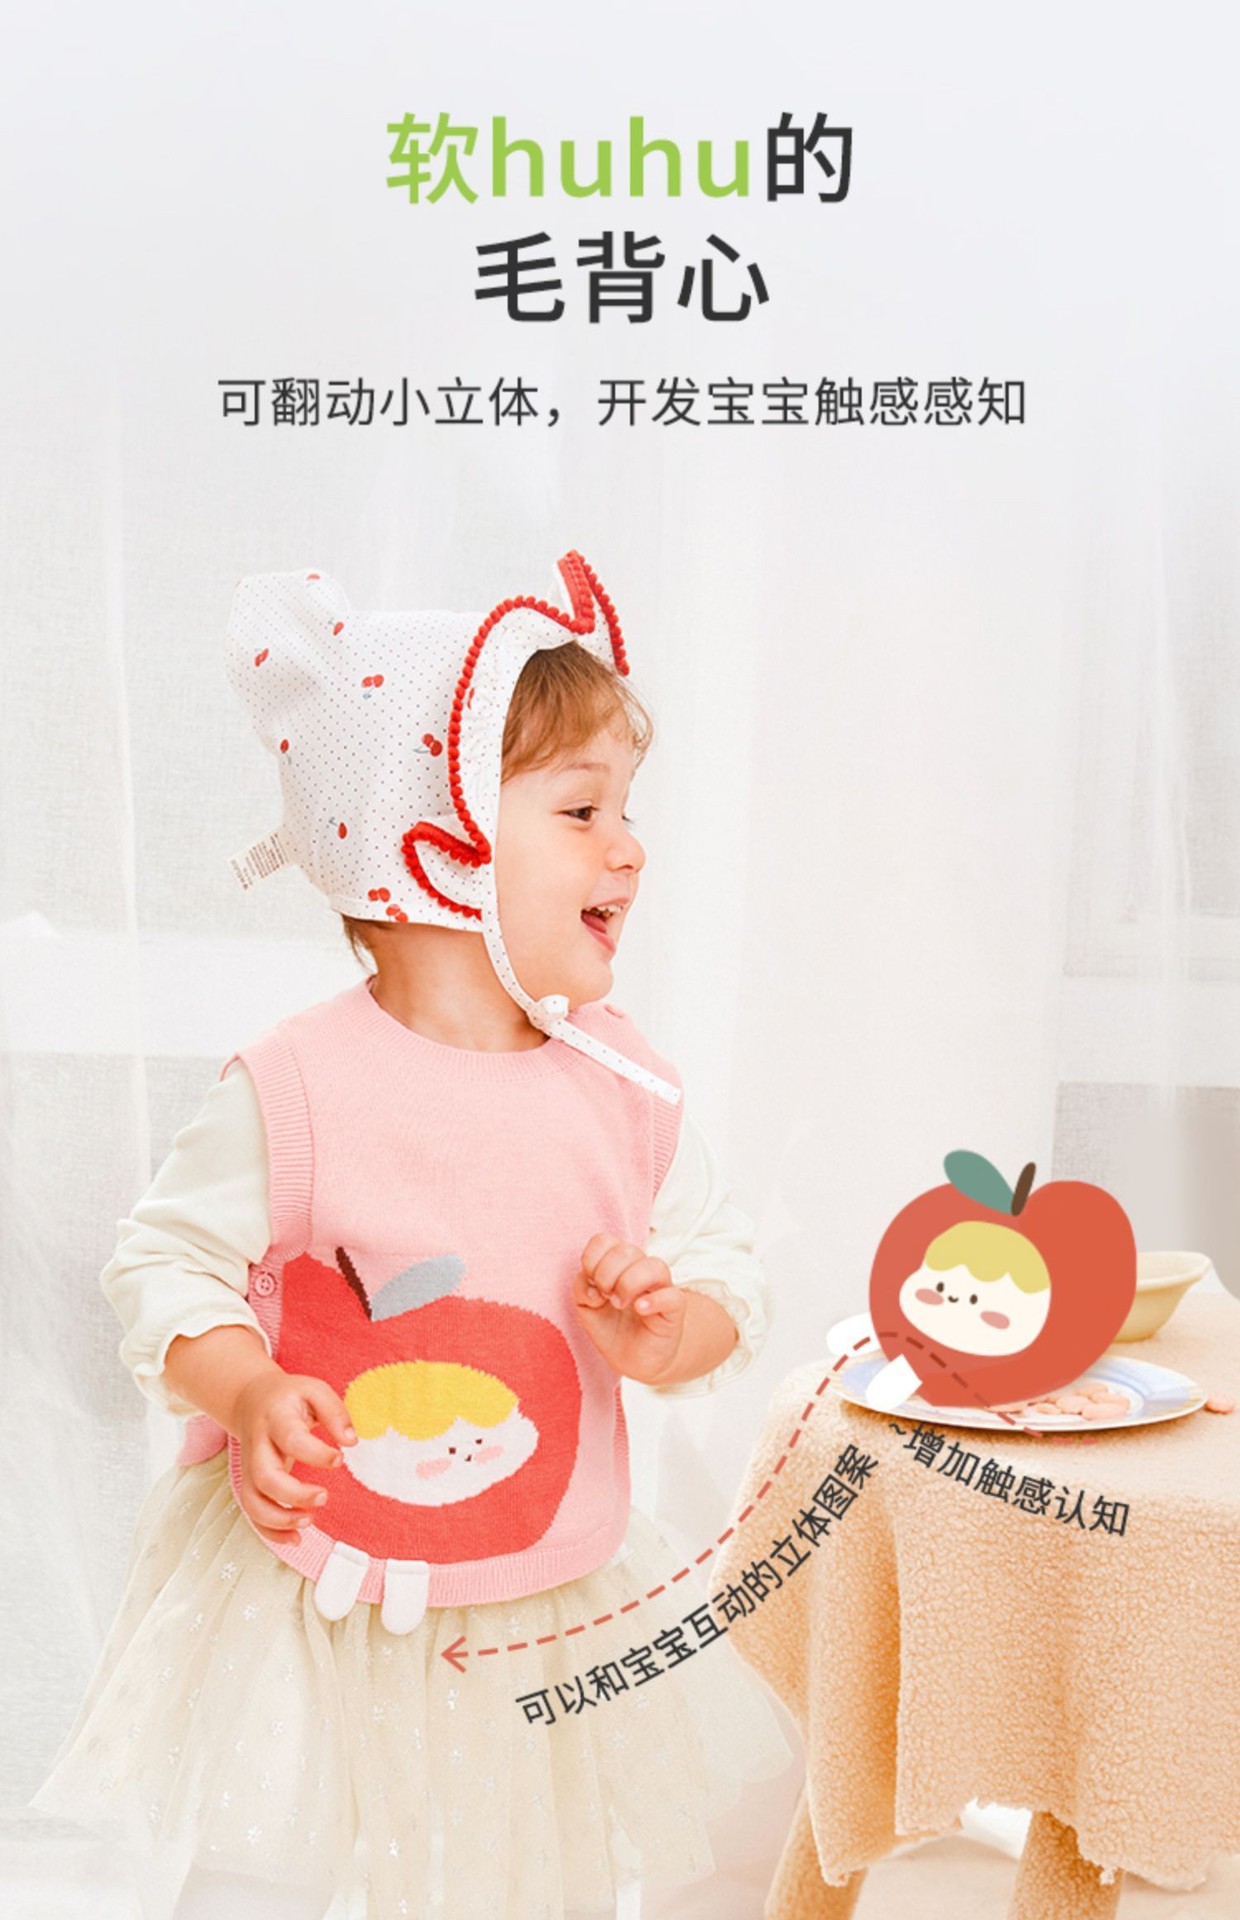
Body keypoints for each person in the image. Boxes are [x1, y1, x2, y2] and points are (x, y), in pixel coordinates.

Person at [29, 550, 791, 1920]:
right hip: (313, 1582)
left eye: (628, 809)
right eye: (582, 809)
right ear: (430, 840)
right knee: (268, 1862)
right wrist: (244, 1387)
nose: (630, 846)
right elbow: (164, 1264)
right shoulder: (298, 1086)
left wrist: (671, 1328)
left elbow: (726, 1262)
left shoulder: (622, 1085)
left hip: (538, 1579)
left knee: (537, 1867)